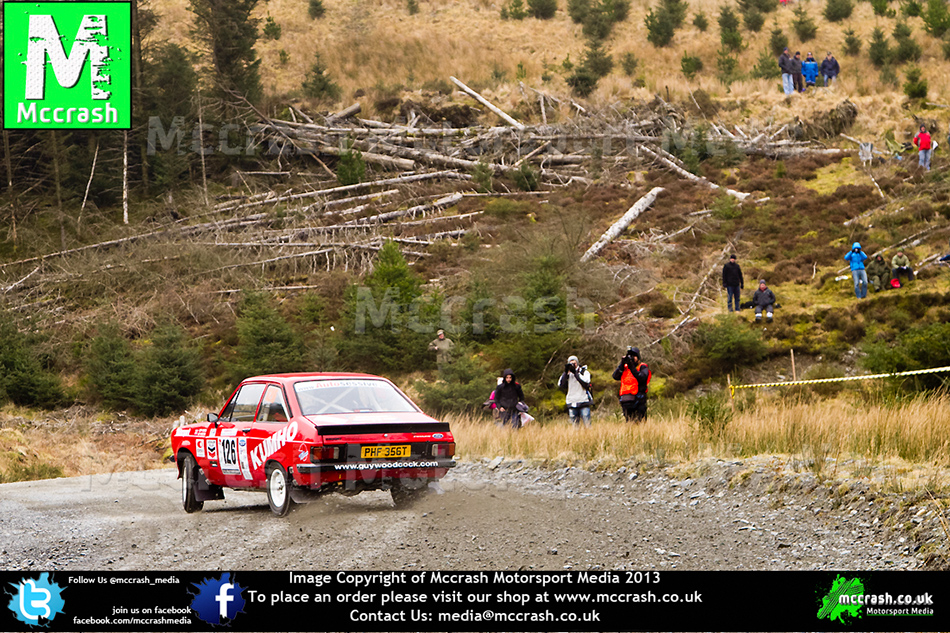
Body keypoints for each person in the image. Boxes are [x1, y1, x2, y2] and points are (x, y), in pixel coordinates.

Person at [612, 347, 651, 422]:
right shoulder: (625, 367)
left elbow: (642, 377)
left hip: (639, 399)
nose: (633, 358)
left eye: (634, 356)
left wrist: (632, 366)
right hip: (626, 400)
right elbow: (615, 376)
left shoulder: (642, 367)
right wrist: (621, 364)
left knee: (640, 421)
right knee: (629, 422)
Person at [558, 355, 593, 427]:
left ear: (577, 363)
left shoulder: (583, 372)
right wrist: (566, 372)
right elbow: (561, 385)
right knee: (575, 426)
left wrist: (575, 373)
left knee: (587, 424)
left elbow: (586, 383)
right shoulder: (566, 374)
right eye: (571, 364)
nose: (573, 365)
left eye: (574, 363)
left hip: (583, 400)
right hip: (572, 401)